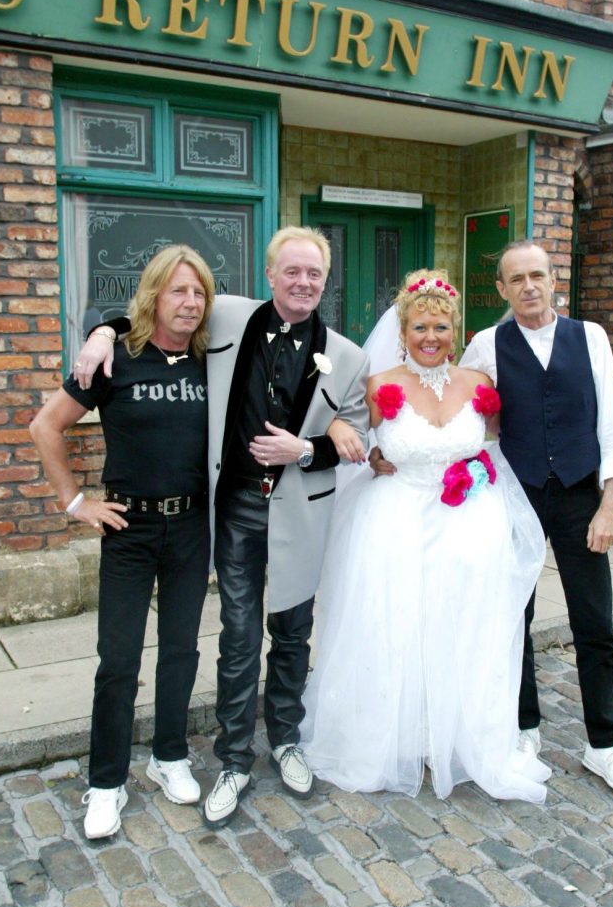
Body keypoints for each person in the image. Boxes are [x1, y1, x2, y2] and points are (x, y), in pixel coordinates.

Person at [73, 226, 370, 827]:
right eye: (292, 271)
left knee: (291, 632)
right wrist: (101, 328)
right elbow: (155, 305)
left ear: (326, 279)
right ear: (269, 275)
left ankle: (284, 739)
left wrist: (312, 447)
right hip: (235, 509)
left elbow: (358, 436)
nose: (303, 282)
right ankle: (234, 757)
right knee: (238, 636)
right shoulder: (227, 316)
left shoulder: (348, 355)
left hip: (301, 517)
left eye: (314, 273)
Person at [299, 269, 550, 803]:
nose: (430, 337)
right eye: (419, 327)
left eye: (439, 326)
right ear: (403, 330)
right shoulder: (377, 385)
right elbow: (356, 440)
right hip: (395, 520)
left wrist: (477, 472)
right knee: (398, 624)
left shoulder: (480, 387)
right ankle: (399, 738)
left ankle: (458, 739)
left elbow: (495, 447)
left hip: (469, 520)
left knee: (462, 624)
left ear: (454, 330)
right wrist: (368, 451)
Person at [30, 244, 215, 840]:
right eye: (177, 291)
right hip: (128, 529)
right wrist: (74, 501)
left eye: (198, 292)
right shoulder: (118, 359)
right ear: (154, 295)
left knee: (182, 650)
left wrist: (101, 327)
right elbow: (45, 425)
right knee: (118, 661)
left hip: (191, 525)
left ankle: (169, 757)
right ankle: (106, 782)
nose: (189, 302)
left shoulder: (213, 359)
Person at [460, 239, 613, 798]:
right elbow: (467, 416)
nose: (529, 287)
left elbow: (612, 420)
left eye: (537, 275)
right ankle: (523, 729)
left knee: (595, 621)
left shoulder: (590, 337)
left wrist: (611, 502)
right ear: (502, 289)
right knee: (512, 618)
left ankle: (605, 745)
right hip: (515, 494)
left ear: (552, 278)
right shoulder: (486, 344)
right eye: (516, 279)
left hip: (579, 495)